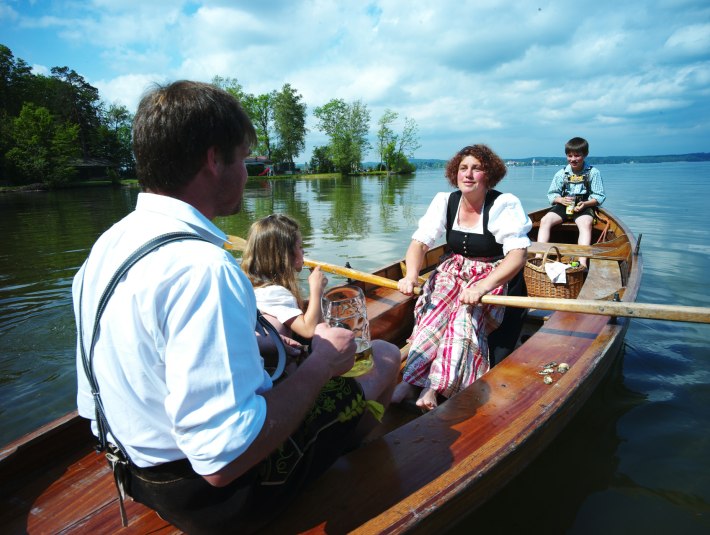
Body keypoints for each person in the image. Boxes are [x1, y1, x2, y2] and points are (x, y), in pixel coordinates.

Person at [72, 80, 400, 534]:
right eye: (244, 159)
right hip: (215, 499)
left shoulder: (106, 248)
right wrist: (322, 362)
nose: (249, 173)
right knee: (383, 357)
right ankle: (345, 471)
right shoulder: (203, 268)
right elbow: (222, 461)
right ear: (213, 159)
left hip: (134, 471)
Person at [392, 144, 532, 411]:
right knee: (432, 315)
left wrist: (481, 287)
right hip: (453, 271)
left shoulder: (504, 204)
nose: (468, 174)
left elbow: (517, 256)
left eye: (476, 169)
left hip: (492, 276)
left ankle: (434, 387)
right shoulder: (446, 201)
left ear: (488, 175)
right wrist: (410, 276)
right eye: (463, 168)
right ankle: (410, 381)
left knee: (463, 318)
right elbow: (419, 244)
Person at [241, 213, 327, 340]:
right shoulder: (273, 293)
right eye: (300, 247)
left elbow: (319, 327)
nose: (303, 251)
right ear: (286, 256)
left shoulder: (257, 286)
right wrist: (317, 290)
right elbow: (309, 331)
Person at [537, 137, 606, 268]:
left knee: (585, 224)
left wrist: (586, 204)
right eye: (570, 156)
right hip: (564, 205)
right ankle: (538, 258)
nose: (573, 159)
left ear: (585, 155)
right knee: (545, 220)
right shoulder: (561, 173)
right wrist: (560, 199)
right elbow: (552, 194)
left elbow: (599, 196)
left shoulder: (593, 172)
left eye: (577, 155)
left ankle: (582, 263)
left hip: (584, 205)